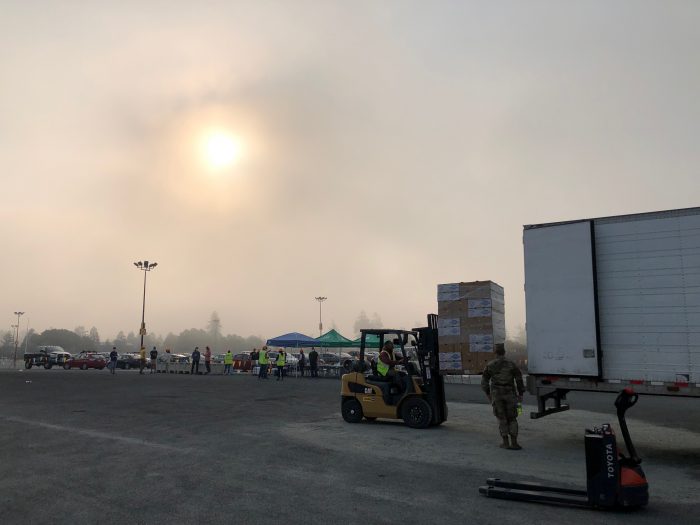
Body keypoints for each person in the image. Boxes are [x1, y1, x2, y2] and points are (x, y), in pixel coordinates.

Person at [481, 343, 525, 450]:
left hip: (497, 395)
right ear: (504, 352)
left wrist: (488, 394)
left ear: (495, 352)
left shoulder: (490, 365)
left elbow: (484, 382)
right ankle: (514, 443)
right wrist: (520, 394)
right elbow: (519, 380)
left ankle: (505, 443)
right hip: (510, 394)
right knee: (513, 418)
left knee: (501, 418)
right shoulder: (511, 364)